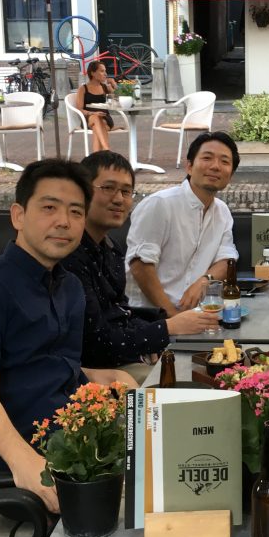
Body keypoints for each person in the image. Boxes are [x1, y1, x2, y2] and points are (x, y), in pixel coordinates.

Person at [0, 160, 136, 514]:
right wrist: (26, 464)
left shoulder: (67, 286)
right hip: (25, 468)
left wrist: (105, 377)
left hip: (78, 438)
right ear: (18, 215)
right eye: (49, 208)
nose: (64, 221)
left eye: (76, 212)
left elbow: (52, 367)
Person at [60, 151, 220, 382]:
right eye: (108, 188)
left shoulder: (110, 248)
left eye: (126, 191)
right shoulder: (70, 256)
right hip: (92, 373)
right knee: (193, 378)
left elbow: (120, 313)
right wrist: (166, 327)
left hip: (125, 354)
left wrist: (156, 333)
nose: (119, 199)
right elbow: (96, 343)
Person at [126, 132, 239, 317]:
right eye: (207, 158)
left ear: (231, 175)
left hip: (197, 315)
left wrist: (204, 281)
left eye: (224, 162)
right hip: (149, 316)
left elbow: (227, 259)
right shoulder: (160, 204)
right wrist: (173, 317)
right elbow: (140, 265)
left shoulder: (222, 211)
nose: (215, 166)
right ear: (189, 166)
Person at [75, 59, 118, 153]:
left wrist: (113, 85)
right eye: (102, 71)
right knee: (96, 118)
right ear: (93, 73)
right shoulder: (83, 89)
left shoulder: (105, 87)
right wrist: (92, 113)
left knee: (97, 127)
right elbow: (79, 109)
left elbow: (117, 101)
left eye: (105, 71)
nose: (105, 74)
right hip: (89, 119)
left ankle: (101, 154)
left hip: (105, 118)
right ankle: (106, 150)